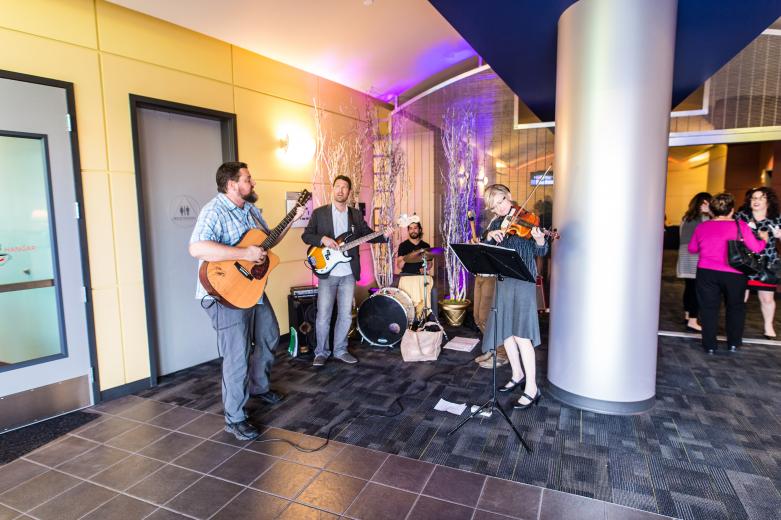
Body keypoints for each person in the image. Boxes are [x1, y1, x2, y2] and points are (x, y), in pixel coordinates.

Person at [189, 161, 305, 440]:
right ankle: (235, 417)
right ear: (232, 184)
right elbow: (197, 248)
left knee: (267, 336)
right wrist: (244, 253)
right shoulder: (213, 210)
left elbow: (267, 241)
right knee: (237, 355)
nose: (252, 184)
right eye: (248, 180)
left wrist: (293, 217)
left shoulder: (250, 210)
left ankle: (259, 387)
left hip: (251, 288)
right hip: (224, 293)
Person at [301, 175, 392, 367]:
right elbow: (306, 235)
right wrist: (323, 240)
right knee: (323, 315)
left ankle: (340, 350)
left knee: (344, 314)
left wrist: (384, 236)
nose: (341, 190)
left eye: (345, 187)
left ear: (349, 192)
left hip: (348, 273)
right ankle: (321, 352)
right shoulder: (319, 213)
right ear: (333, 189)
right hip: (327, 274)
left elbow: (367, 235)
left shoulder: (355, 215)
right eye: (338, 186)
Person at [481, 184, 549, 409]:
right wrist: (489, 235)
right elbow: (485, 248)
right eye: (494, 206)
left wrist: (540, 240)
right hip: (504, 281)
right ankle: (517, 373)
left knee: (521, 334)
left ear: (509, 196)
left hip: (523, 279)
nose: (499, 208)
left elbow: (541, 252)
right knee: (507, 332)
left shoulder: (529, 218)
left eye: (501, 201)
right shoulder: (495, 223)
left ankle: (532, 387)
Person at [688, 192, 766, 354]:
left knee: (708, 309)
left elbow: (692, 249)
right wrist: (763, 238)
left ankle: (709, 345)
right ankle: (733, 343)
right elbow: (756, 248)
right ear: (732, 210)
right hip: (735, 273)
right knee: (736, 307)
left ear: (712, 210)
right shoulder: (740, 226)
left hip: (707, 272)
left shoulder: (702, 226)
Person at [735, 187, 781, 338]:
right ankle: (736, 325)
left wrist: (780, 236)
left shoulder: (776, 218)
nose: (756, 201)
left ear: (768, 201)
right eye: (753, 198)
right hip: (744, 262)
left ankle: (768, 326)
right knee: (741, 296)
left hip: (767, 263)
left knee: (767, 298)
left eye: (760, 198)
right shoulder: (741, 216)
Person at [677, 192, 711, 332]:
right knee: (697, 289)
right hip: (697, 254)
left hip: (684, 254)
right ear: (704, 203)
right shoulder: (705, 218)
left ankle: (687, 315)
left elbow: (681, 235)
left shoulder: (686, 218)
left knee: (689, 287)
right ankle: (693, 319)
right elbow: (709, 235)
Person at [396, 218, 435, 320]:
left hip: (421, 277)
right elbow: (399, 266)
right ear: (408, 230)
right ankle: (408, 319)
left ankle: (422, 319)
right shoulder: (403, 246)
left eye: (415, 228)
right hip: (407, 277)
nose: (413, 230)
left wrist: (426, 268)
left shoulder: (425, 246)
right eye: (411, 228)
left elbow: (430, 264)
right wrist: (408, 257)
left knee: (426, 284)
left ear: (419, 229)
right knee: (407, 303)